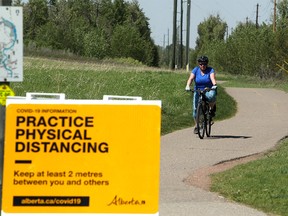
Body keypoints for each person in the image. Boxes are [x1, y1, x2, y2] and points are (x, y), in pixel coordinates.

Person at [185, 56, 217, 134]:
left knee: (211, 96)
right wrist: (188, 85)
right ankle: (197, 126)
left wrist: (214, 85)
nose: (203, 65)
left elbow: (212, 78)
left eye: (204, 64)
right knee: (195, 109)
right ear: (199, 64)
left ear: (207, 64)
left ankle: (211, 109)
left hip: (208, 89)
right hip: (198, 90)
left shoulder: (210, 70)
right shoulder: (195, 70)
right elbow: (191, 78)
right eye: (201, 64)